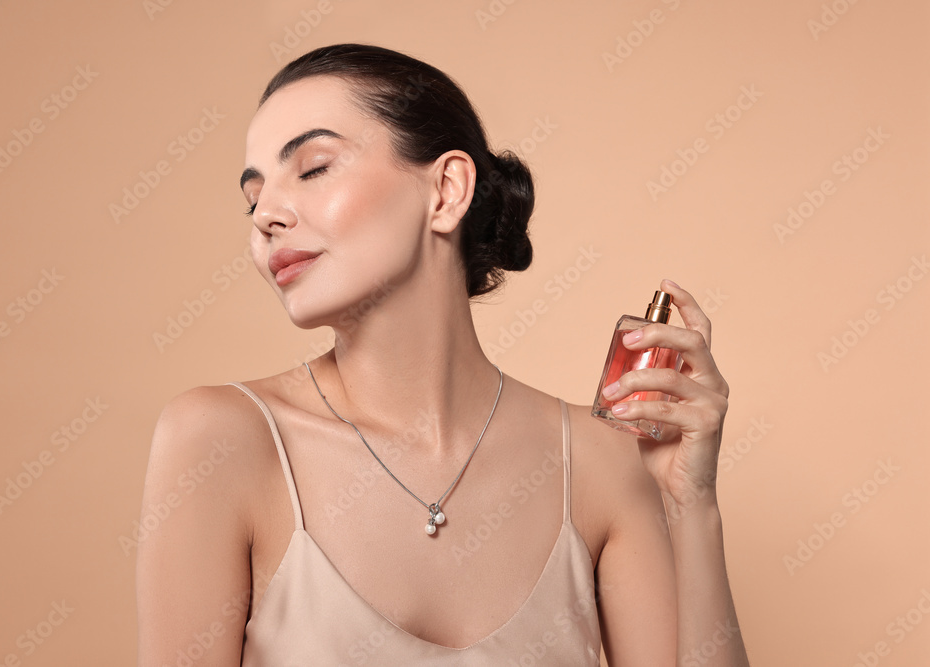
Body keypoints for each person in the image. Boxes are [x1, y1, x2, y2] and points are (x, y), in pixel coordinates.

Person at [136, 43, 751, 666]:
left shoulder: (603, 461)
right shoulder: (222, 440)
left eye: (314, 167)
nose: (266, 214)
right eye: (253, 196)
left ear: (448, 190)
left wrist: (687, 507)